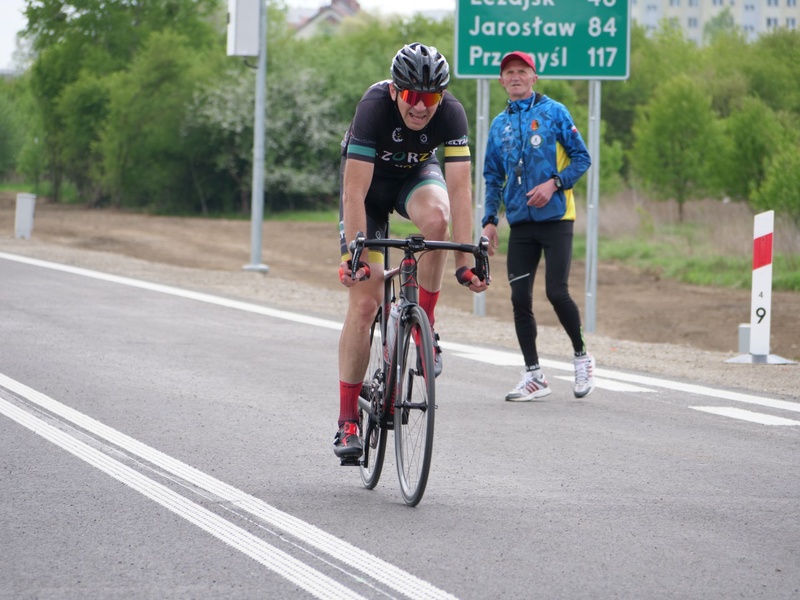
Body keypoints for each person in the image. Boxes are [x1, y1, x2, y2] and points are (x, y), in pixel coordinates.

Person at [334, 43, 489, 462]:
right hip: (368, 193)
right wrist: (353, 257)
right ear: (394, 91)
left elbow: (460, 190)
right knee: (365, 304)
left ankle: (425, 325)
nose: (421, 107)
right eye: (411, 96)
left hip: (414, 178)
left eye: (430, 97)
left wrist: (465, 262)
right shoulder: (373, 108)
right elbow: (354, 192)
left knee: (437, 222)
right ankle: (347, 420)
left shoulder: (451, 113)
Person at [481, 50, 595, 401]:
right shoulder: (498, 125)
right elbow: (492, 177)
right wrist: (489, 221)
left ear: (534, 77)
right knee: (519, 298)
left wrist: (554, 184)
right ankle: (534, 376)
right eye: (509, 72)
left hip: (556, 218)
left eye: (522, 71)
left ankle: (582, 358)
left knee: (556, 292)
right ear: (501, 81)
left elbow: (582, 158)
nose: (515, 76)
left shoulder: (554, 112)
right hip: (520, 224)